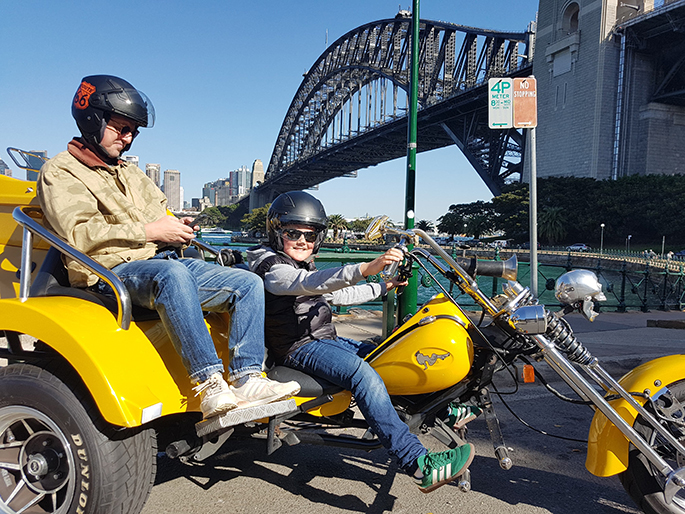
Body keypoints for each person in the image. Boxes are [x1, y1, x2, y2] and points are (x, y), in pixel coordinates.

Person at [36, 75, 299, 419]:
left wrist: (178, 227)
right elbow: (78, 233)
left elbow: (162, 214)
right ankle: (208, 384)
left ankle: (247, 377)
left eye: (133, 131)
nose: (127, 138)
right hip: (107, 270)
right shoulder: (60, 171)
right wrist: (150, 229)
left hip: (158, 262)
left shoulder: (130, 174)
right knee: (172, 274)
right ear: (92, 119)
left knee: (247, 282)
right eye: (120, 128)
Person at [247, 190, 476, 493]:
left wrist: (382, 286)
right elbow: (300, 284)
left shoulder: (303, 264)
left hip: (325, 340)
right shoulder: (269, 264)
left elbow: (337, 294)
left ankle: (441, 408)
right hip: (298, 348)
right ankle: (418, 464)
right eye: (293, 233)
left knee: (387, 355)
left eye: (310, 234)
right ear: (276, 232)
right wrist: (365, 268)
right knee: (362, 374)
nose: (303, 241)